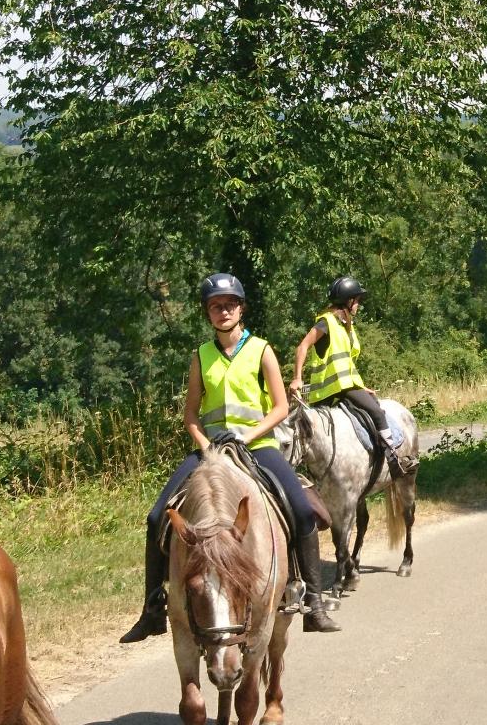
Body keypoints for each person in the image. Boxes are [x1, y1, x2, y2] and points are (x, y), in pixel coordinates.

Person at [120, 272, 341, 642]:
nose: (222, 311)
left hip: (257, 446)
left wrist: (248, 436)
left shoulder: (261, 350)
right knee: (157, 516)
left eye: (229, 304)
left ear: (241, 308)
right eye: (214, 306)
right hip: (211, 450)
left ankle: (313, 603)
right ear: (208, 314)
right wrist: (204, 445)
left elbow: (281, 406)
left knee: (302, 510)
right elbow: (191, 413)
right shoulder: (201, 356)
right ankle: (152, 610)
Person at [291, 276, 413, 476]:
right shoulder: (326, 322)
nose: (358, 305)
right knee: (376, 412)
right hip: (333, 389)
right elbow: (302, 346)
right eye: (357, 300)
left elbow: (345, 364)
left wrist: (360, 386)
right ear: (348, 301)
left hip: (344, 385)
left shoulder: (344, 326)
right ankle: (394, 460)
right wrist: (297, 377)